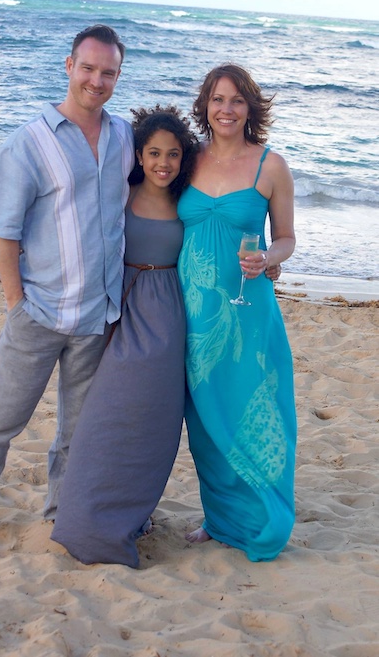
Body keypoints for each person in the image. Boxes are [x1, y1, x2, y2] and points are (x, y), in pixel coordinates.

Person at [0, 24, 135, 539]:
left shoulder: (123, 137)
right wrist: (15, 302)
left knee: (78, 433)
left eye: (108, 71)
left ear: (118, 76)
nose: (97, 80)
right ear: (69, 67)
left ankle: (61, 513)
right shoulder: (27, 143)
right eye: (88, 68)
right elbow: (4, 231)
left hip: (98, 318)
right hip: (39, 314)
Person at [50, 105, 198, 567]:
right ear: (138, 154)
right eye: (154, 152)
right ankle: (87, 518)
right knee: (104, 417)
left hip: (168, 314)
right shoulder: (120, 190)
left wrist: (267, 260)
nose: (163, 163)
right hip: (119, 307)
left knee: (153, 423)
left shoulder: (188, 199)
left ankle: (136, 514)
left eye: (173, 154)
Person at [177, 63, 297, 562]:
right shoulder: (186, 160)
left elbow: (287, 238)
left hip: (248, 311)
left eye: (237, 100)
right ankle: (219, 518)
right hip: (189, 309)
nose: (226, 109)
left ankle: (264, 515)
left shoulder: (271, 166)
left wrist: (269, 258)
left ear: (251, 108)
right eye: (218, 99)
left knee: (256, 407)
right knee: (204, 419)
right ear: (205, 105)